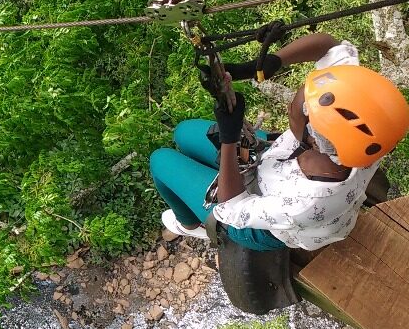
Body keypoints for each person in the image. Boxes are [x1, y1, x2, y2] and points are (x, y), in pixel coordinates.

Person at [149, 33, 409, 251]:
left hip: (266, 222)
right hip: (275, 159)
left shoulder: (309, 202)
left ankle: (190, 225)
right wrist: (265, 64)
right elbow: (330, 46)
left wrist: (229, 140)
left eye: (294, 108)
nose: (289, 106)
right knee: (183, 132)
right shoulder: (366, 125)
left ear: (313, 139)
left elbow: (232, 209)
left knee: (160, 160)